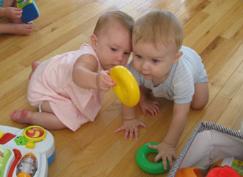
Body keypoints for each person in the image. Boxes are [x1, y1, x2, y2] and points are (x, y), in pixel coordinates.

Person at [10, 10, 141, 133]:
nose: (120, 58)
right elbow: (78, 74)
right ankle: (31, 117)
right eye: (114, 49)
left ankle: (38, 70)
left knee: (57, 73)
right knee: (68, 118)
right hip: (47, 90)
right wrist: (96, 79)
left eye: (126, 53)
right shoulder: (89, 59)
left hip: (51, 71)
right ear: (95, 42)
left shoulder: (108, 60)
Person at [124, 9, 209, 168]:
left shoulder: (182, 76)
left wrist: (169, 144)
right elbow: (127, 92)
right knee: (139, 83)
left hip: (194, 68)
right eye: (138, 56)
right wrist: (129, 118)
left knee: (198, 104)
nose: (144, 66)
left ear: (175, 58)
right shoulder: (137, 68)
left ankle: (190, 78)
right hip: (162, 77)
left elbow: (180, 113)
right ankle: (147, 93)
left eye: (155, 60)